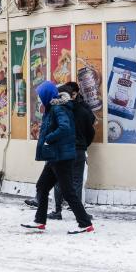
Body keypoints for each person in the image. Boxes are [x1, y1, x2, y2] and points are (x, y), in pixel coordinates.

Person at [22, 82, 94, 234]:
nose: (40, 99)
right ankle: (39, 221)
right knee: (42, 186)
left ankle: (85, 224)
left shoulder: (58, 108)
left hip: (61, 156)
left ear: (47, 95)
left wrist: (49, 138)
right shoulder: (52, 107)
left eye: (41, 95)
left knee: (68, 192)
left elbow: (65, 127)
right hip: (55, 155)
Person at [48, 82, 96, 220]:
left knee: (57, 180)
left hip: (61, 150)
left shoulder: (57, 110)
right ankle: (80, 214)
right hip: (78, 150)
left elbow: (51, 129)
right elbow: (90, 131)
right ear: (73, 95)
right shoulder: (83, 110)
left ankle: (56, 211)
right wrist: (83, 144)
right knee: (77, 182)